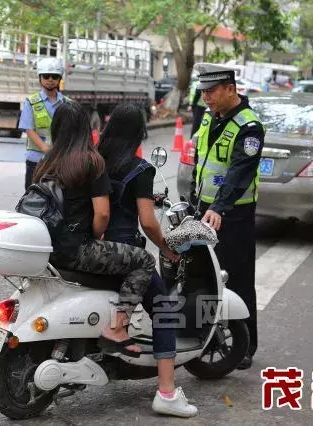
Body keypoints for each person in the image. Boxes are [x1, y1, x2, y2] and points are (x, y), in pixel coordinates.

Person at [97, 103, 198, 418]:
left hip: (95, 249)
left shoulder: (97, 162)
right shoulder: (141, 169)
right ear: (139, 134)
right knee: (165, 309)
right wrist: (167, 248)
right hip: (126, 252)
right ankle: (167, 392)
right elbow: (148, 222)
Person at [36, 100, 157, 357]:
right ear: (85, 129)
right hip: (75, 248)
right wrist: (93, 237)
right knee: (144, 261)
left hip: (46, 247)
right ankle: (118, 327)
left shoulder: (45, 162)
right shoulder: (91, 161)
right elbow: (102, 214)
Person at [190, 63, 266, 370]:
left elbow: (239, 173)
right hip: (205, 209)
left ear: (230, 89)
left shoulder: (249, 127)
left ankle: (246, 345)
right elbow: (202, 161)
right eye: (203, 92)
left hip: (233, 215)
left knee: (238, 279)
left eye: (211, 91)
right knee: (206, 277)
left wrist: (219, 207)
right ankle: (209, 336)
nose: (206, 98)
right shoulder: (212, 116)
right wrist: (195, 201)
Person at [18, 57, 68, 190]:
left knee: (58, 198)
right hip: (36, 160)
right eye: (46, 76)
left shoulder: (68, 103)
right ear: (40, 78)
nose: (50, 80)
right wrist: (45, 149)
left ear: (59, 79)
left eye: (54, 76)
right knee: (32, 197)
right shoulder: (31, 101)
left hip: (60, 160)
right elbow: (29, 129)